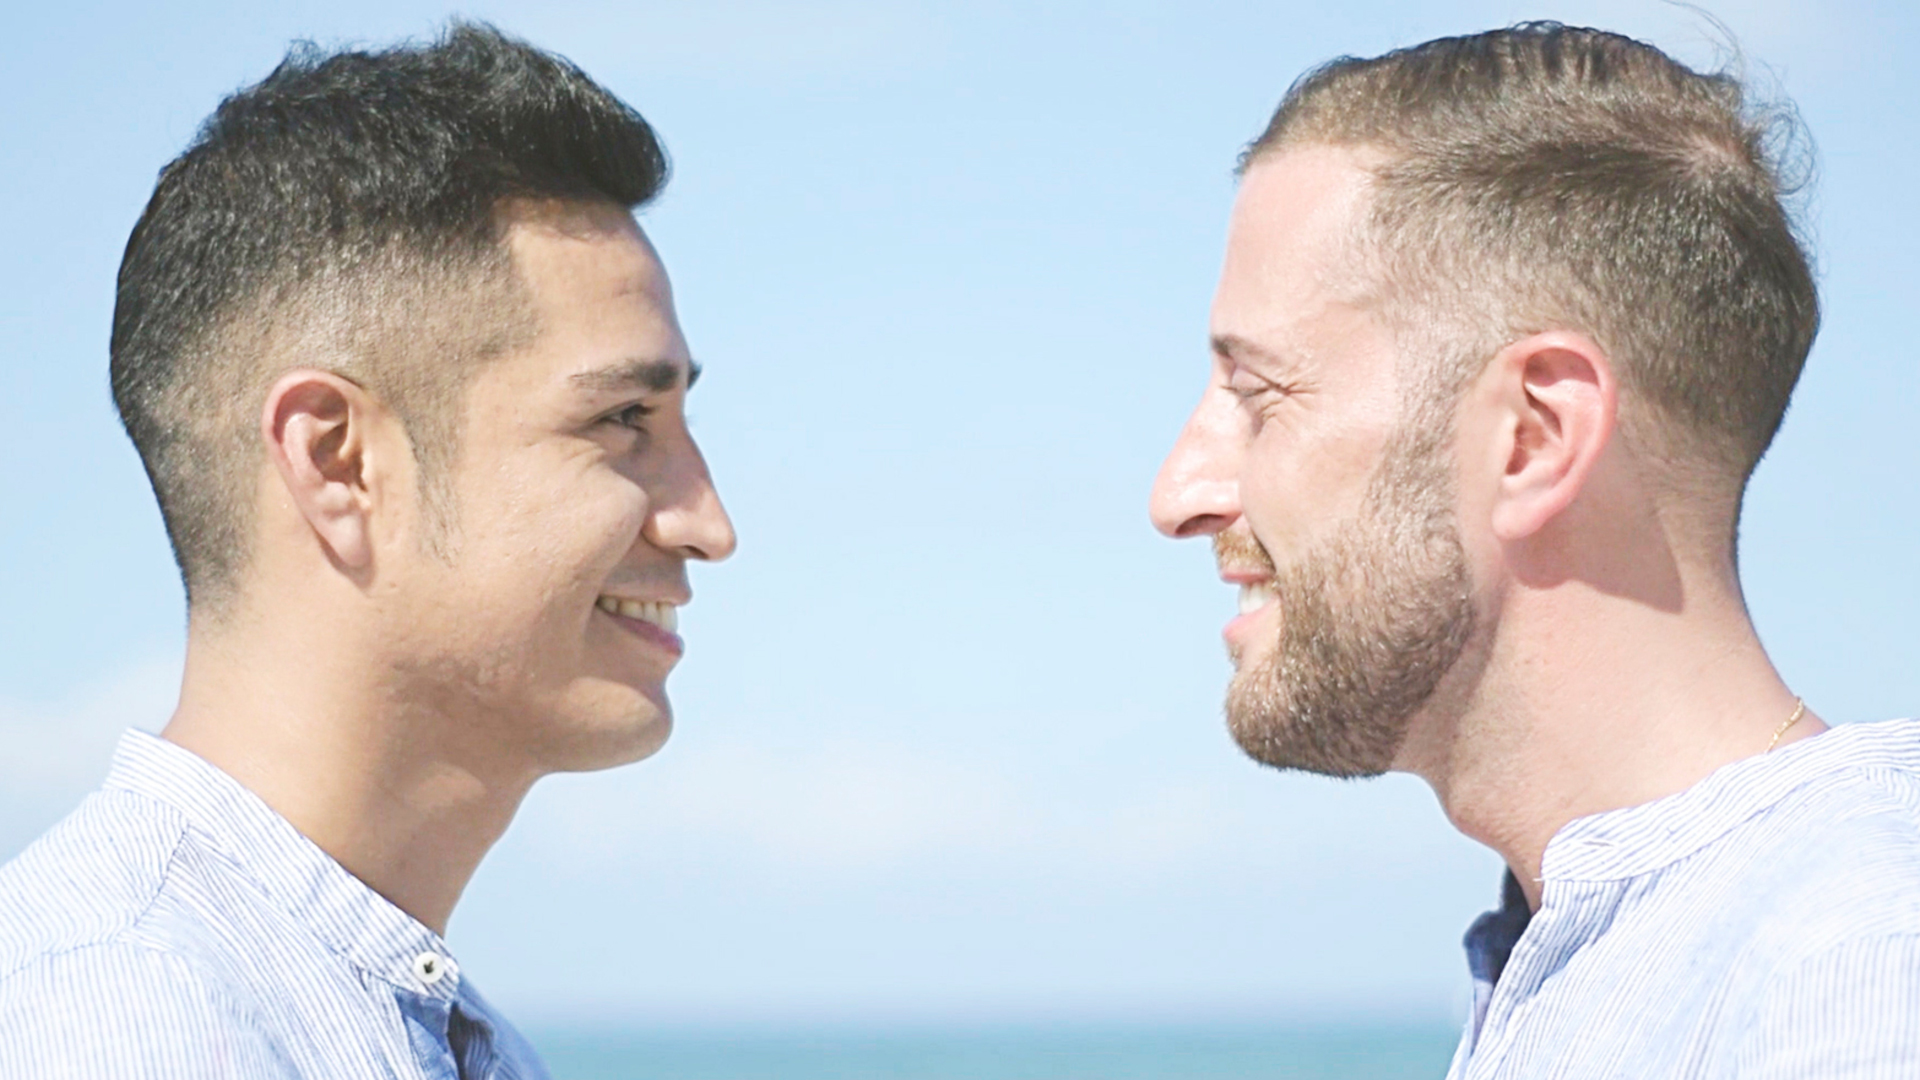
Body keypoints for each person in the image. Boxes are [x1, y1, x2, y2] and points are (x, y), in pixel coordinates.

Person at [1149, 23, 1919, 1079]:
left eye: (1259, 394)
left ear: (1534, 437)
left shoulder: (1850, 981)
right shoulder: (1613, 953)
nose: (1178, 497)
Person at [0, 22, 733, 1078]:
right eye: (623, 420)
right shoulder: (130, 1016)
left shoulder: (440, 1034)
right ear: (337, 463)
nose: (708, 525)